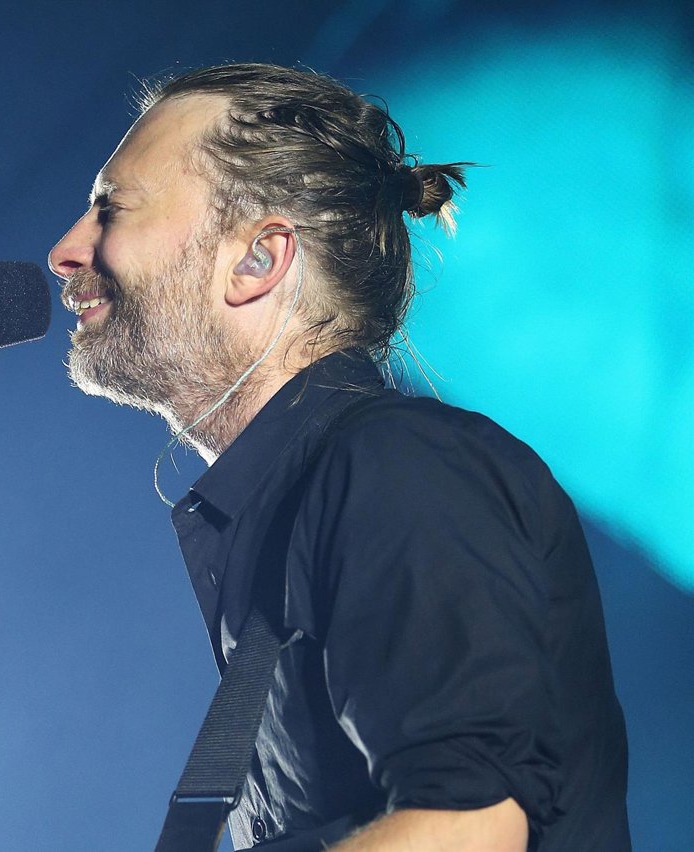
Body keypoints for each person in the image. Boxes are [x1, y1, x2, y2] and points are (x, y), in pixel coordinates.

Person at [47, 64, 629, 851]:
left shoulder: (399, 466)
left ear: (259, 260)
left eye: (111, 209)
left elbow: (470, 829)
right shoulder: (293, 516)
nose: (64, 251)